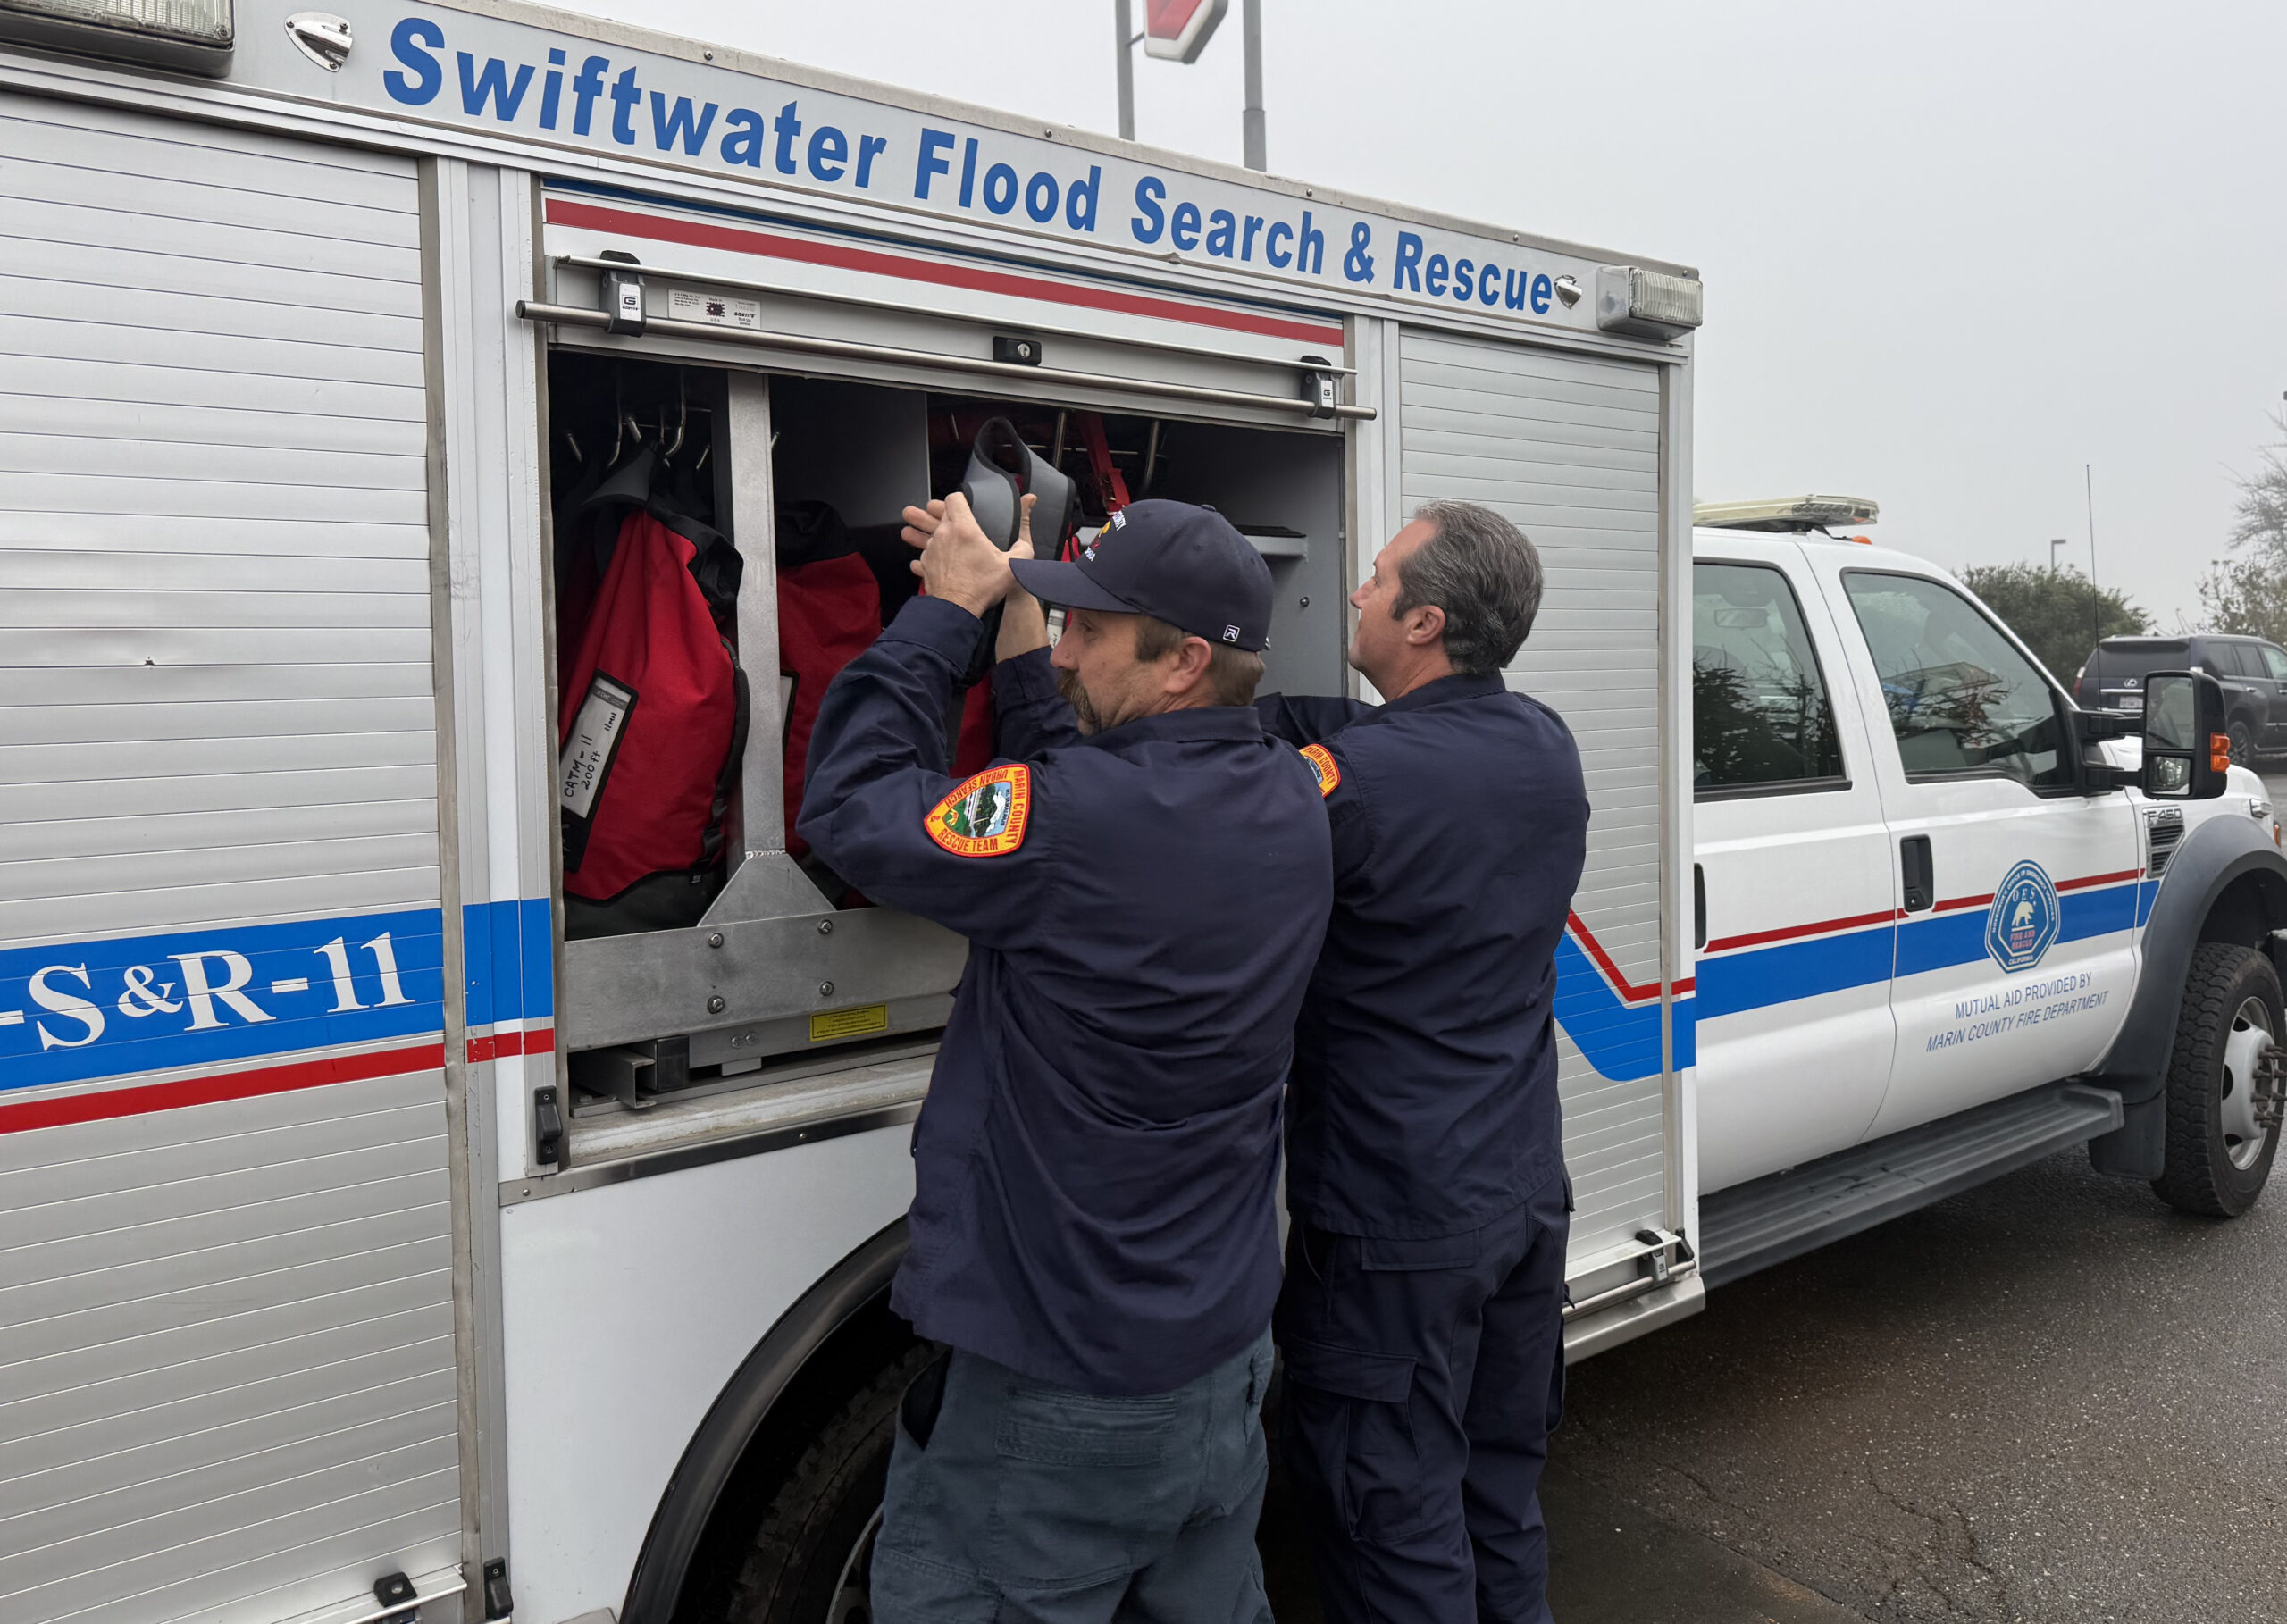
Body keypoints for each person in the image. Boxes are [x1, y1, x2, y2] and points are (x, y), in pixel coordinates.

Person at [796, 493, 1333, 1623]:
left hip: (1060, 1403)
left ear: (1184, 660)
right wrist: (1028, 640)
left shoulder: (1070, 824)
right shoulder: (1291, 792)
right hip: (1218, 1373)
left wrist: (946, 612)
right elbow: (1084, 794)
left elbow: (849, 805)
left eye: (1090, 630)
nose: (1068, 644)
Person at [1257, 501, 1588, 1624]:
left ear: (1426, 620)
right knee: (1497, 1500)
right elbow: (1339, 740)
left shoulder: (1358, 787)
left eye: (1378, 578)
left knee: (1394, 1523)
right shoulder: (1542, 743)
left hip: (1399, 1228)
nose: (1353, 591)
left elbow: (1255, 797)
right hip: (1517, 1203)